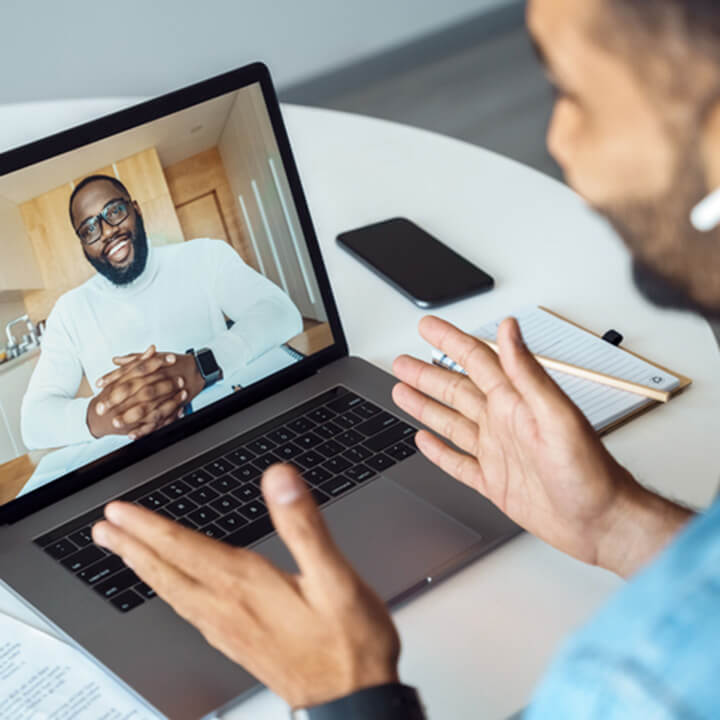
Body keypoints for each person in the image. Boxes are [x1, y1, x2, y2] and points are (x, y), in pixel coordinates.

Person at [92, 0, 720, 717]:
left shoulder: (638, 683)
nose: (557, 138)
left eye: (575, 94)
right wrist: (616, 522)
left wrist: (347, 694)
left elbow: (273, 314)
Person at [21, 174, 302, 450]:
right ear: (83, 245)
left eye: (115, 211)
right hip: (141, 462)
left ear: (136, 209)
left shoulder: (205, 255)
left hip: (230, 429)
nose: (107, 231)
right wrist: (103, 414)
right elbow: (33, 422)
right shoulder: (69, 312)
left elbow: (281, 313)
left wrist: (200, 368)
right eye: (89, 229)